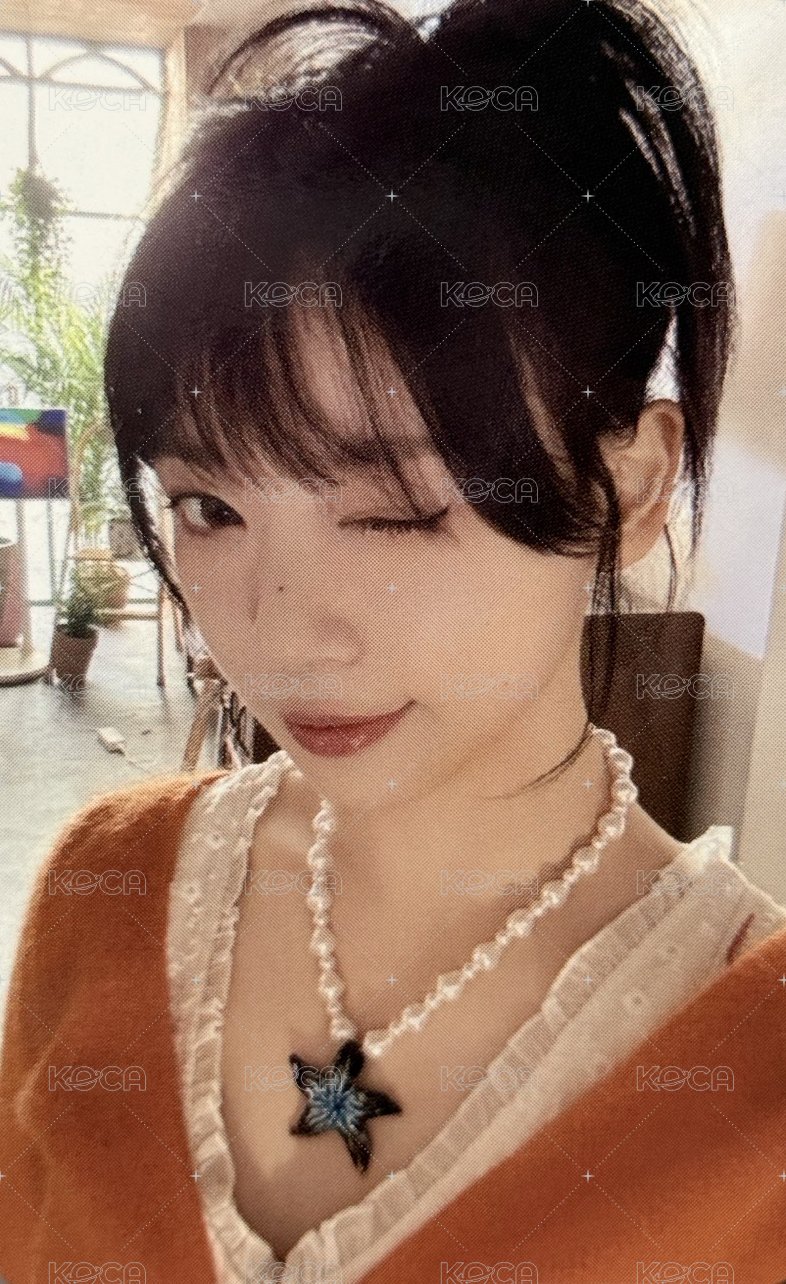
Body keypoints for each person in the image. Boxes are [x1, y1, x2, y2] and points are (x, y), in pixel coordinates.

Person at [2, 0, 786, 1280]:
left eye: (395, 513)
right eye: (210, 508)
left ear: (633, 487)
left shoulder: (752, 1070)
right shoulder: (102, 898)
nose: (282, 636)